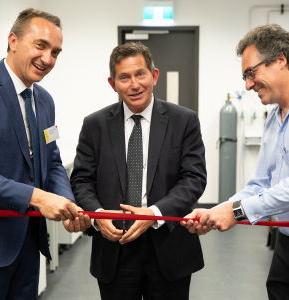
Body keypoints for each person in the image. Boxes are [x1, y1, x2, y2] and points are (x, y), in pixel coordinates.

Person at [181, 23, 289, 300]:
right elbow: (261, 181)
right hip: (286, 247)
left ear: (281, 60)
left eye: (252, 73)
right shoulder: (275, 118)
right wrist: (219, 210)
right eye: (245, 77)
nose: (249, 85)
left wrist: (237, 213)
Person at [0, 8, 91, 299]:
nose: (48, 59)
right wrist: (38, 198)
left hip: (29, 244)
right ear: (13, 40)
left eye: (56, 52)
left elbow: (52, 160)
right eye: (40, 45)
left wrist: (67, 203)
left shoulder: (45, 101)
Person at [70, 42, 206, 300]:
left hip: (167, 246)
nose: (134, 85)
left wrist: (154, 214)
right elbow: (81, 180)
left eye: (140, 74)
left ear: (154, 76)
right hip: (114, 248)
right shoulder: (94, 125)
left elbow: (194, 178)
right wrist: (97, 215)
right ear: (113, 84)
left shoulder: (184, 120)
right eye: (124, 77)